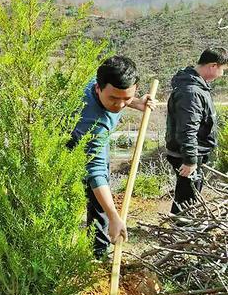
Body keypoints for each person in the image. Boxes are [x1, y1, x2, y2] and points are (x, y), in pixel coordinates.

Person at [68, 56, 155, 259]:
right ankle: (96, 251)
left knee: (100, 193)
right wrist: (114, 216)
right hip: (73, 140)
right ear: (98, 88)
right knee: (94, 186)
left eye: (126, 98)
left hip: (98, 138)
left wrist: (136, 102)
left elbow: (120, 96)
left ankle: (99, 250)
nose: (120, 105)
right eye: (114, 99)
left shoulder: (106, 79)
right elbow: (96, 171)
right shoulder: (93, 122)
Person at [166, 47, 227, 214]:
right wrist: (190, 160)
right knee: (187, 198)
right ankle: (182, 227)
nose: (222, 74)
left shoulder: (196, 86)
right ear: (213, 66)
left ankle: (182, 224)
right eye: (222, 69)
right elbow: (188, 129)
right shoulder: (191, 92)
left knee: (187, 195)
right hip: (188, 153)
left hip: (192, 151)